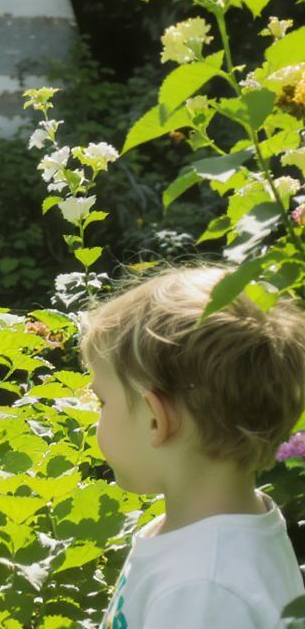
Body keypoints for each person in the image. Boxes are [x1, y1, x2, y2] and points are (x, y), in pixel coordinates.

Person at [81, 266, 305, 629]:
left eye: (102, 402)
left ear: (155, 420)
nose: (98, 417)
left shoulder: (202, 590)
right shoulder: (210, 529)